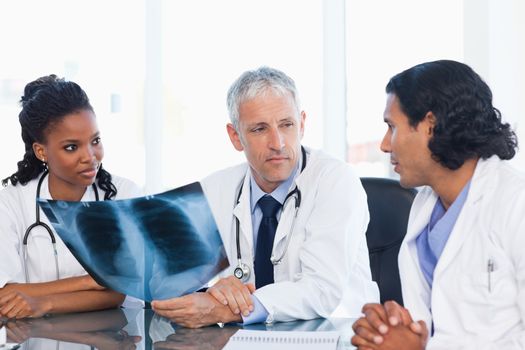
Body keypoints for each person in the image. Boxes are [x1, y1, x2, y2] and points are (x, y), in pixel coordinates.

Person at [152, 66, 378, 327]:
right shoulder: (215, 189)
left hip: (337, 335)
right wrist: (214, 290)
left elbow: (321, 289)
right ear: (235, 136)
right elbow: (169, 275)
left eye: (287, 124)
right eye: (260, 129)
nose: (278, 142)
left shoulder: (336, 180)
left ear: (302, 124)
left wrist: (228, 310)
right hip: (246, 341)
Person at [351, 60, 524, 349]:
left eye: (391, 127)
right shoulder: (423, 207)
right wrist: (392, 329)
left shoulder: (515, 204)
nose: (384, 144)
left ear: (430, 125)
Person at [0, 75, 142, 319]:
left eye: (95, 141)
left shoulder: (124, 195)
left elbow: (118, 293)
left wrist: (42, 303)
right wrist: (89, 281)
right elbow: (4, 297)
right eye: (71, 147)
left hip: (112, 334)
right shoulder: (11, 203)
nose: (90, 156)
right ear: (41, 151)